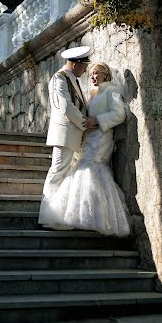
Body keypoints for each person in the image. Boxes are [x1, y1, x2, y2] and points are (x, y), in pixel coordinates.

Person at [39, 61, 131, 237]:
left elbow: (119, 114)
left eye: (96, 73)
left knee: (92, 170)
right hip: (88, 138)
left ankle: (97, 218)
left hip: (101, 139)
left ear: (106, 74)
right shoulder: (92, 94)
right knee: (80, 170)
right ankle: (77, 216)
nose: (93, 77)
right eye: (91, 75)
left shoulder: (111, 91)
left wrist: (97, 121)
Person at [38, 46, 94, 230]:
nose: (86, 69)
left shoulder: (72, 79)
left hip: (73, 134)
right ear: (76, 64)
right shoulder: (59, 78)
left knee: (63, 172)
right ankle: (48, 217)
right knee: (58, 171)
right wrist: (85, 123)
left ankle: (58, 215)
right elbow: (65, 106)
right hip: (65, 133)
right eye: (84, 65)